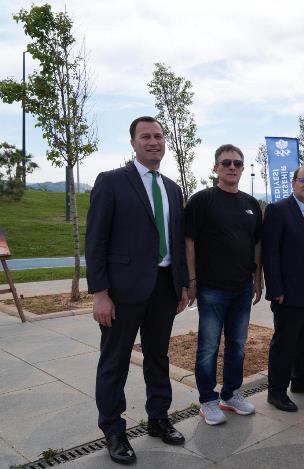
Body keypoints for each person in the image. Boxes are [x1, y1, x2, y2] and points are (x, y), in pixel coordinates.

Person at [86, 116, 189, 464]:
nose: (153, 142)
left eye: (158, 136)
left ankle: (158, 418)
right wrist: (100, 293)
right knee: (114, 362)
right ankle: (113, 431)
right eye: (145, 136)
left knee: (158, 357)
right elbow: (96, 241)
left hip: (164, 288)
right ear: (133, 143)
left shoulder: (172, 188)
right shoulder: (112, 182)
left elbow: (176, 240)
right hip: (121, 291)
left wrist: (182, 284)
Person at [184, 144, 262, 425]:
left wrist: (258, 278)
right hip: (211, 288)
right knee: (208, 347)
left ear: (242, 168)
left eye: (237, 163)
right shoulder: (202, 200)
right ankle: (207, 400)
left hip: (242, 288)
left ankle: (230, 394)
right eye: (226, 162)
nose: (232, 167)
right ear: (215, 167)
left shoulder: (251, 204)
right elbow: (189, 242)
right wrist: (192, 280)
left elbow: (257, 244)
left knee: (237, 345)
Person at [263, 166, 304, 412]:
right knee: (285, 342)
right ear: (293, 183)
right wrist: (275, 289)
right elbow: (270, 253)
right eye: (303, 180)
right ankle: (276, 392)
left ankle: (300, 380)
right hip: (289, 291)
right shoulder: (278, 210)